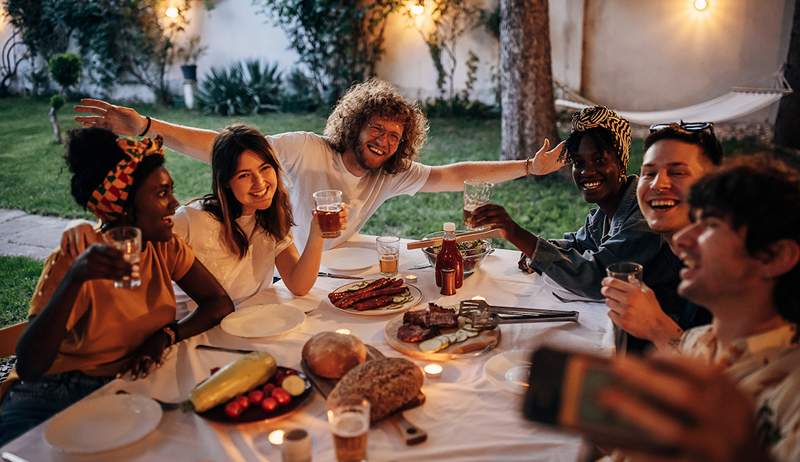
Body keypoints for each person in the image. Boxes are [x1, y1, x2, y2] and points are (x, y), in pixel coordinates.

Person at [73, 79, 566, 250]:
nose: (383, 141)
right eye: (376, 128)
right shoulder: (307, 148)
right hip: (278, 266)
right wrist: (145, 127)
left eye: (395, 137)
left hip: (335, 269)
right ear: (354, 124)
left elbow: (454, 174)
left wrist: (528, 166)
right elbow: (223, 148)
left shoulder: (388, 176)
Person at [0, 128, 234, 445]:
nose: (174, 204)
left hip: (124, 386)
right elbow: (29, 365)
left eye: (171, 191)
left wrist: (167, 335)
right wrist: (74, 280)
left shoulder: (163, 247)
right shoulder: (77, 260)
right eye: (161, 193)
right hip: (53, 392)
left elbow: (218, 302)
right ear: (124, 206)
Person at [599, 155, 800, 462]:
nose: (681, 239)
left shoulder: (791, 392)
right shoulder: (696, 344)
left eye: (710, 226)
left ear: (774, 256)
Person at [64, 125, 327, 315]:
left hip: (252, 325)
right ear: (225, 182)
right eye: (244, 175)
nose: (260, 183)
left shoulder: (269, 219)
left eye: (265, 168)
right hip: (198, 331)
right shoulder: (192, 220)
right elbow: (130, 231)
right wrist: (79, 226)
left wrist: (316, 234)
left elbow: (299, 285)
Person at [472, 106, 674, 308]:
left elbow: (597, 278)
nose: (587, 171)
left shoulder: (646, 213)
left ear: (621, 163)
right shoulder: (603, 215)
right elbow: (577, 245)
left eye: (599, 160)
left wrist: (516, 233)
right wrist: (536, 250)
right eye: (579, 162)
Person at [600, 122, 723, 351]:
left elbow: (738, 380)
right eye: (649, 173)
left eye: (677, 172)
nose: (659, 184)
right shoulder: (660, 256)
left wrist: (657, 328)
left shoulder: (735, 277)